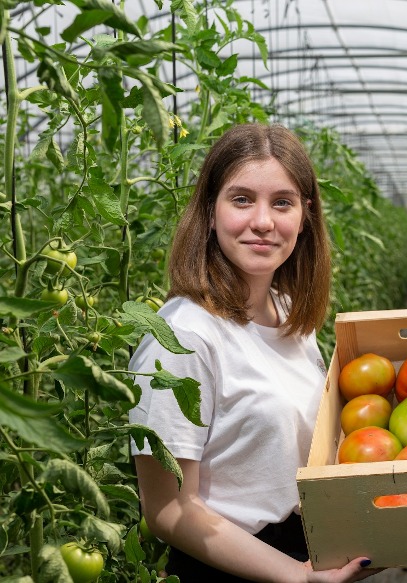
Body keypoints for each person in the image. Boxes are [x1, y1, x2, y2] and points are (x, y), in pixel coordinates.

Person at [129, 124, 374, 583]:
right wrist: (296, 576)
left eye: (282, 202)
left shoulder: (287, 313)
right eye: (241, 199)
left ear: (305, 216)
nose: (263, 221)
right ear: (210, 210)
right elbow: (167, 507)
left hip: (303, 549)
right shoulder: (181, 336)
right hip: (230, 564)